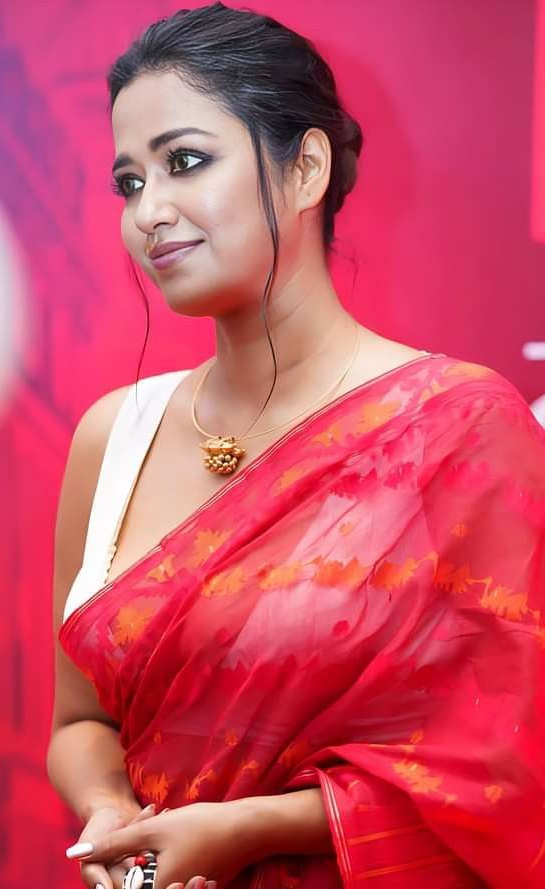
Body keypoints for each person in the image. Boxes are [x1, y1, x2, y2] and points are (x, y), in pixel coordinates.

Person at [46, 4, 545, 888]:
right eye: (128, 181)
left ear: (305, 166)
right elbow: (80, 722)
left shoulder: (458, 425)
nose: (148, 212)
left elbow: (503, 769)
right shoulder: (112, 437)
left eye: (185, 162)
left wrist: (246, 828)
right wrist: (109, 814)